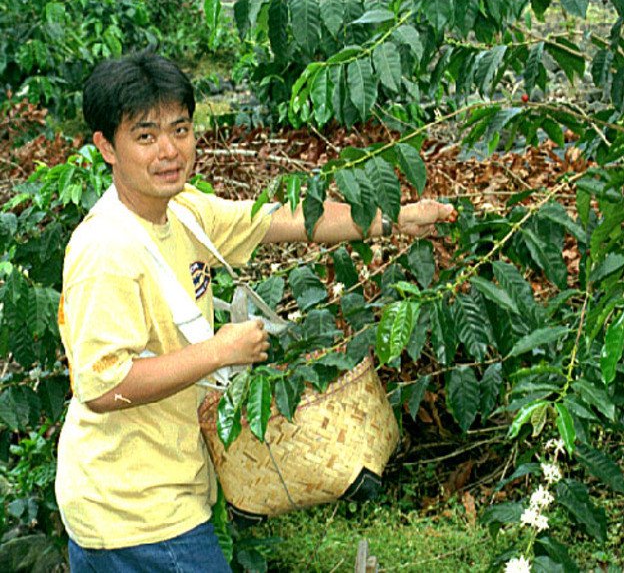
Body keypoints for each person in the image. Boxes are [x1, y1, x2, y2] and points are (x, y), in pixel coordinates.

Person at [56, 51, 454, 572]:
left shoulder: (184, 211)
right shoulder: (106, 252)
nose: (170, 151)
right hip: (134, 512)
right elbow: (104, 387)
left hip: (164, 490)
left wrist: (395, 219)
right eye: (146, 136)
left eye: (181, 130)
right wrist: (219, 351)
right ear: (106, 147)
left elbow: (283, 219)